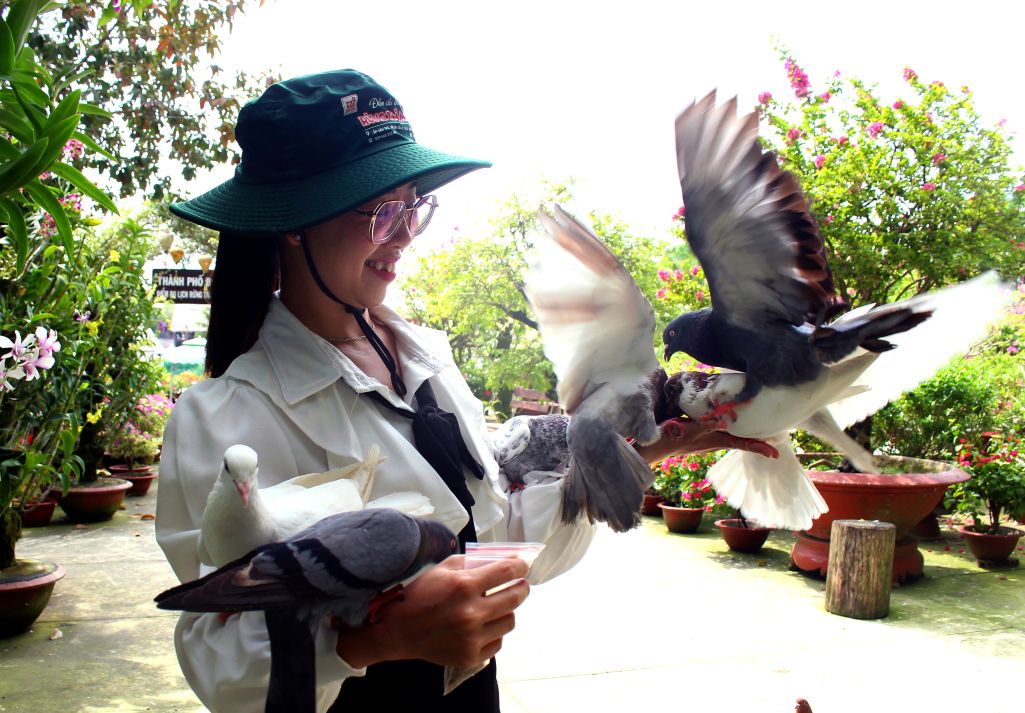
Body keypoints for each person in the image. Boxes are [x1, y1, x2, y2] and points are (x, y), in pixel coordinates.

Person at [155, 69, 771, 713]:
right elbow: (217, 661)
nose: (403, 235)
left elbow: (498, 538)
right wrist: (374, 639)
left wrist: (634, 458)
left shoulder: (429, 364)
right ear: (293, 222)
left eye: (414, 205)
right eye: (381, 211)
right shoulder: (228, 418)